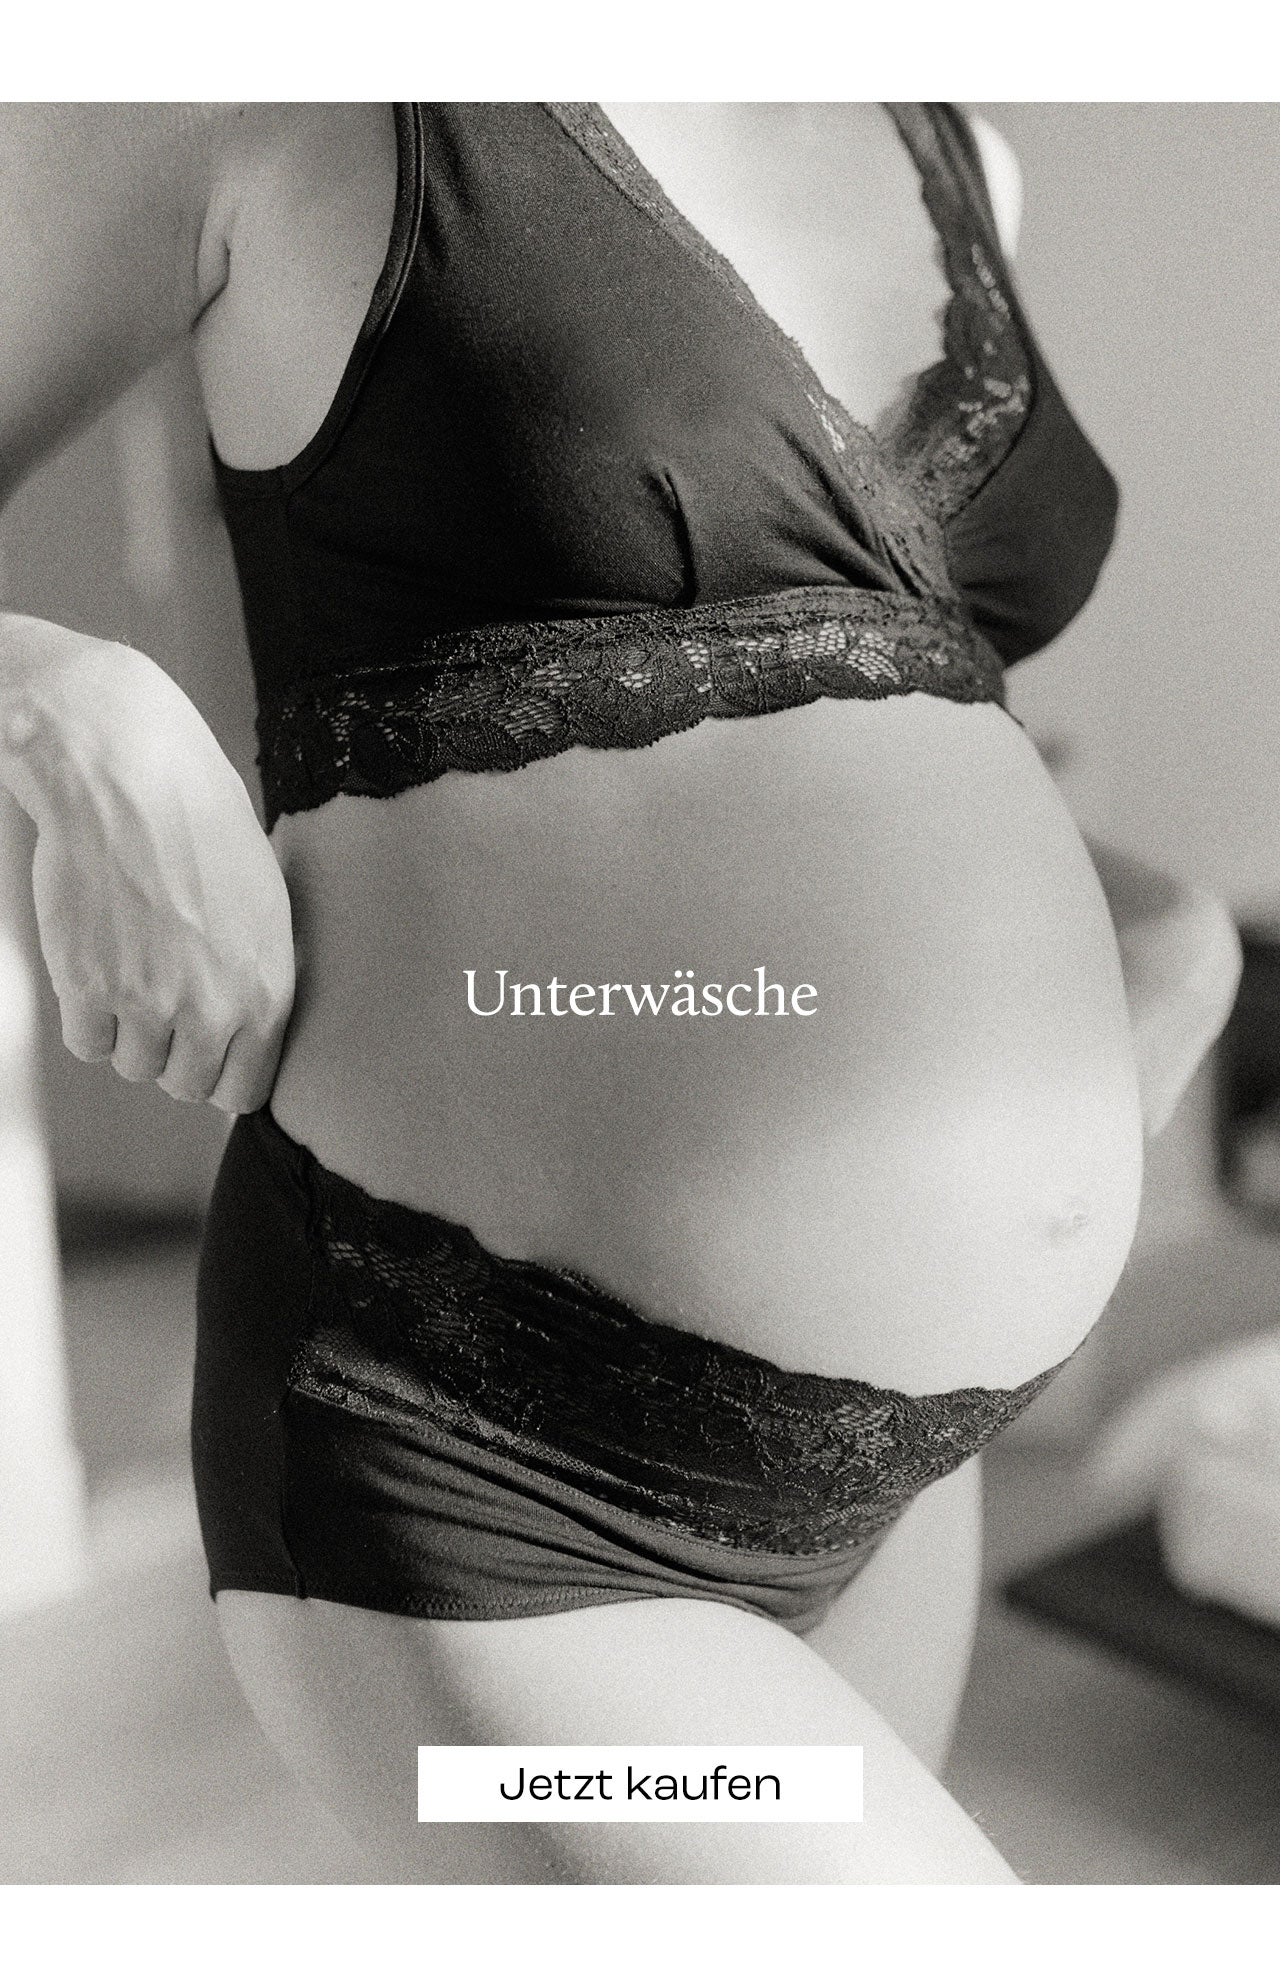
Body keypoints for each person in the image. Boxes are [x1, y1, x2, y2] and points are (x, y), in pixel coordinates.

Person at [0, 102, 1243, 1885]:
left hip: (898, 1486)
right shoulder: (259, 91)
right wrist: (65, 700)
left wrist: (1158, 927)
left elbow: (883, 718)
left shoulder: (959, 147)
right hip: (488, 1466)